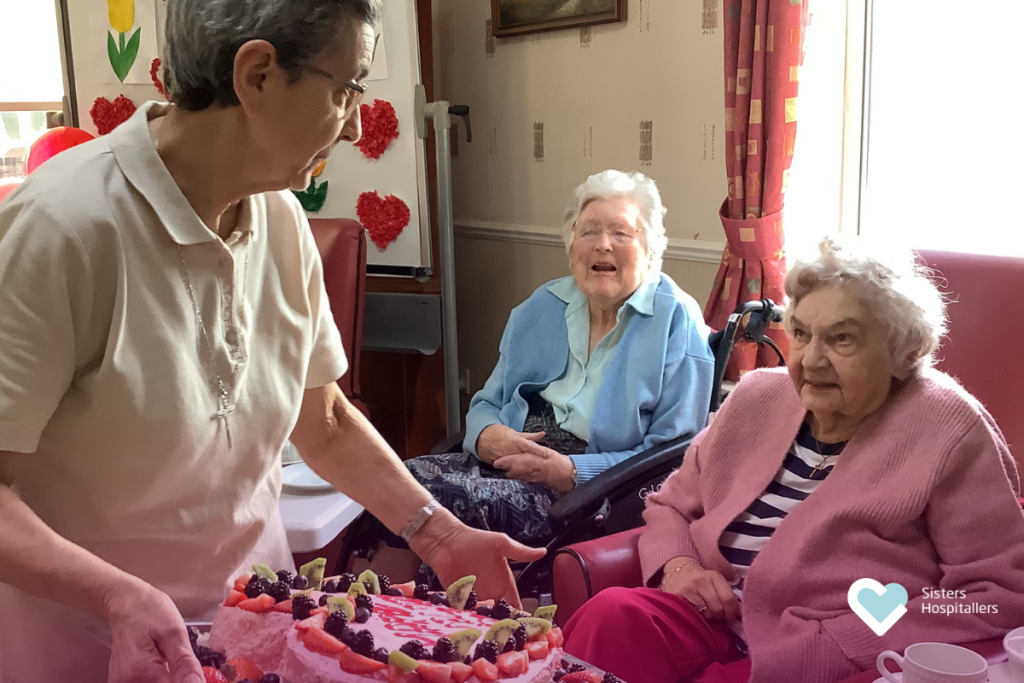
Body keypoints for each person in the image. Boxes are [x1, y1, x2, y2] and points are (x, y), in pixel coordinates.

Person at [0, 1, 543, 682]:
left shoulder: (281, 218)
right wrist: (117, 595)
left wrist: (437, 531)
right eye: (347, 87)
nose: (353, 121)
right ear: (257, 75)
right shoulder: (61, 228)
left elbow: (321, 417)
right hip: (94, 644)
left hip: (254, 626)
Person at [562, 237, 1024, 683]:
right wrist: (680, 567)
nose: (811, 360)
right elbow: (670, 506)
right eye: (801, 333)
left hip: (813, 647)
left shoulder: (949, 428)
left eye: (841, 338)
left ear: (903, 352)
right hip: (712, 615)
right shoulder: (758, 395)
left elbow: (995, 596)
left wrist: (852, 636)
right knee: (610, 618)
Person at [363, 170, 714, 579]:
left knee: (435, 500)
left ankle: (415, 615)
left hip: (587, 495)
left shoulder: (676, 320)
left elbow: (674, 456)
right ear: (571, 247)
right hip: (504, 462)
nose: (603, 244)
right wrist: (485, 435)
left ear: (650, 249)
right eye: (589, 232)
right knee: (392, 483)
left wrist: (571, 472)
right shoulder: (541, 306)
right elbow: (487, 403)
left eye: (621, 233)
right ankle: (390, 615)